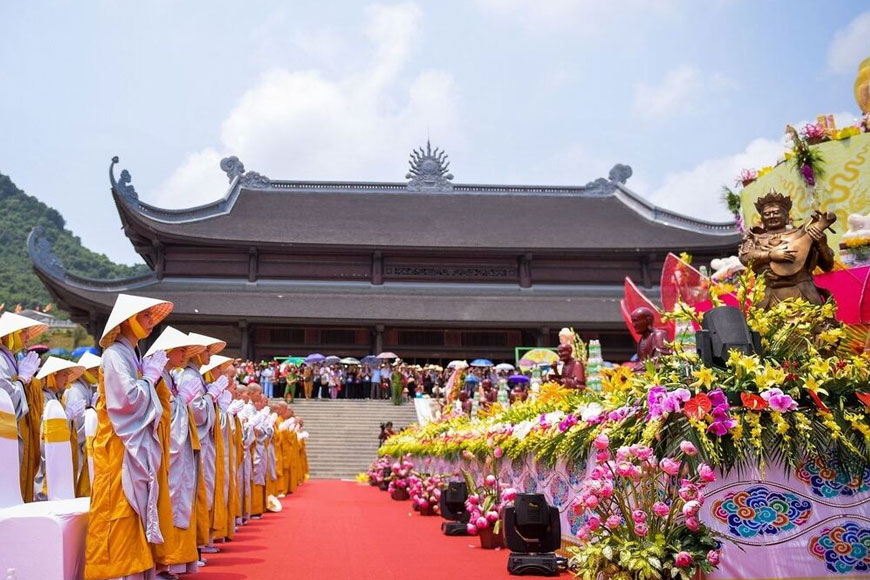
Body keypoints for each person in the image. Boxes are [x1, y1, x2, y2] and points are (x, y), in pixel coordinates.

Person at [85, 293, 173, 580]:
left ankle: (137, 568)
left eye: (150, 316)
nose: (150, 322)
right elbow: (126, 402)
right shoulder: (114, 355)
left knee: (135, 506)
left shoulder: (131, 356)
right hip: (119, 446)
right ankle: (117, 572)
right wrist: (149, 379)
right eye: (145, 316)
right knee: (119, 508)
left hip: (133, 443)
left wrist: (149, 378)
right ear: (128, 321)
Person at [145, 326, 206, 578]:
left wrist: (182, 401)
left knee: (178, 499)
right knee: (168, 498)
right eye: (181, 351)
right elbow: (161, 408)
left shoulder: (171, 376)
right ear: (168, 352)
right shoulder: (160, 374)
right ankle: (164, 560)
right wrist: (182, 401)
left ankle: (173, 560)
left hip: (178, 446)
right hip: (167, 447)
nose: (184, 356)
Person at [738, 190, 835, 309]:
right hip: (768, 295)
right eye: (767, 214)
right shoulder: (754, 238)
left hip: (803, 292)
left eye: (776, 212)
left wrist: (822, 244)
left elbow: (827, 266)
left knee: (812, 325)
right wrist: (770, 255)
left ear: (787, 217)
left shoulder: (803, 234)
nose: (771, 216)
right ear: (762, 219)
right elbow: (745, 257)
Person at [0, 311, 48, 502]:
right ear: (10, 335)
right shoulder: (2, 360)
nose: (28, 336)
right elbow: (6, 399)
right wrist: (21, 380)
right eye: (23, 332)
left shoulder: (12, 359)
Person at [33, 356, 85, 501]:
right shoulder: (44, 398)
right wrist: (66, 416)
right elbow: (45, 429)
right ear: (52, 377)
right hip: (47, 456)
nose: (67, 379)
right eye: (64, 374)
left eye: (68, 375)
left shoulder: (56, 398)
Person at [65, 351, 100, 497]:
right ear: (84, 372)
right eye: (94, 370)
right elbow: (78, 421)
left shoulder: (86, 388)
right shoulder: (76, 390)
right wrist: (92, 411)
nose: (97, 373)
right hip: (78, 443)